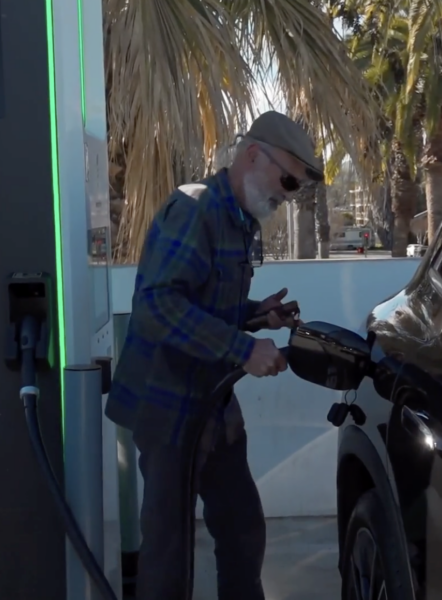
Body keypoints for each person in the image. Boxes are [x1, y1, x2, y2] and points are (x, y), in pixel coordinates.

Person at [105, 111, 325, 600]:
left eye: (296, 190)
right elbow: (158, 304)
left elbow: (200, 301)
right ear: (252, 155)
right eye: (287, 180)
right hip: (168, 406)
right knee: (169, 550)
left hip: (212, 401)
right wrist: (243, 347)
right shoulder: (196, 209)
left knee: (242, 528)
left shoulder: (238, 220)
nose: (287, 196)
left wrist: (253, 315)